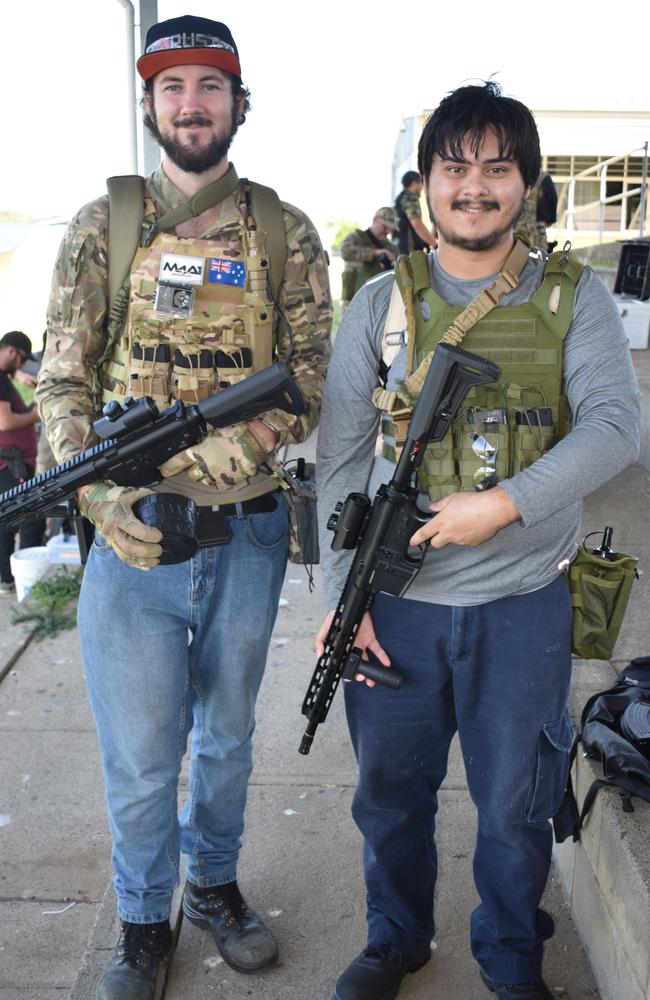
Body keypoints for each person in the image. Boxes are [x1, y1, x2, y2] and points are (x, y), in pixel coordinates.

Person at [315, 81, 639, 1000]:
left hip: (524, 605)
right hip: (400, 610)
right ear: (423, 187)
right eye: (454, 167)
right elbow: (337, 459)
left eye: (498, 168)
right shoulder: (378, 305)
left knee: (517, 805)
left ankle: (509, 956)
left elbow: (616, 427)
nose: (475, 187)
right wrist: (346, 598)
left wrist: (502, 505)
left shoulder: (576, 299)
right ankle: (396, 938)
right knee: (390, 796)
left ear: (527, 186)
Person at [36, 15, 331, 1000]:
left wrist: (227, 443)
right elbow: (63, 381)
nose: (191, 103)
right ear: (150, 105)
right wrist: (92, 489)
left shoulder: (283, 231)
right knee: (138, 751)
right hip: (131, 542)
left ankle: (210, 882)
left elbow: (311, 372)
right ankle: (140, 922)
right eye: (171, 87)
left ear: (238, 103)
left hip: (243, 532)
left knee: (228, 737)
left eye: (210, 85)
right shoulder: (106, 225)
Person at [0, 331, 45, 594]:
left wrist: (16, 376)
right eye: (21, 360)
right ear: (12, 352)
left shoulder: (6, 377)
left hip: (11, 462)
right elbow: (5, 423)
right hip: (10, 464)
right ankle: (25, 580)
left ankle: (8, 578)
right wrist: (35, 414)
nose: (21, 366)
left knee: (8, 519)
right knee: (31, 519)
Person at [339, 207, 398, 311]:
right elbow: (345, 252)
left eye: (390, 228)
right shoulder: (356, 238)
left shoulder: (388, 246)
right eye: (384, 226)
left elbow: (398, 259)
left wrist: (393, 259)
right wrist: (374, 253)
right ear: (375, 220)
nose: (387, 231)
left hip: (377, 300)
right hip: (354, 297)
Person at [394, 170, 436, 254]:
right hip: (409, 249)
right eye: (421, 183)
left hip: (401, 248)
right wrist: (434, 244)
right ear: (414, 183)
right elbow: (417, 224)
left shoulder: (401, 198)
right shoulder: (409, 197)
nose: (422, 188)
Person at [516, 171, 558, 251]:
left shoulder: (509, 174)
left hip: (509, 241)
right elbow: (550, 217)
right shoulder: (542, 178)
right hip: (534, 240)